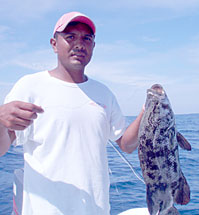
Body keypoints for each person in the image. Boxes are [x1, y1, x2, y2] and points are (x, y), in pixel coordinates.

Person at [0, 11, 144, 215]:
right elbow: (2, 146)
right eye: (70, 37)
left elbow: (126, 144)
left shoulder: (104, 93)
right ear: (53, 44)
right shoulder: (29, 86)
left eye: (87, 38)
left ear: (93, 46)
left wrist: (147, 113)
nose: (79, 44)